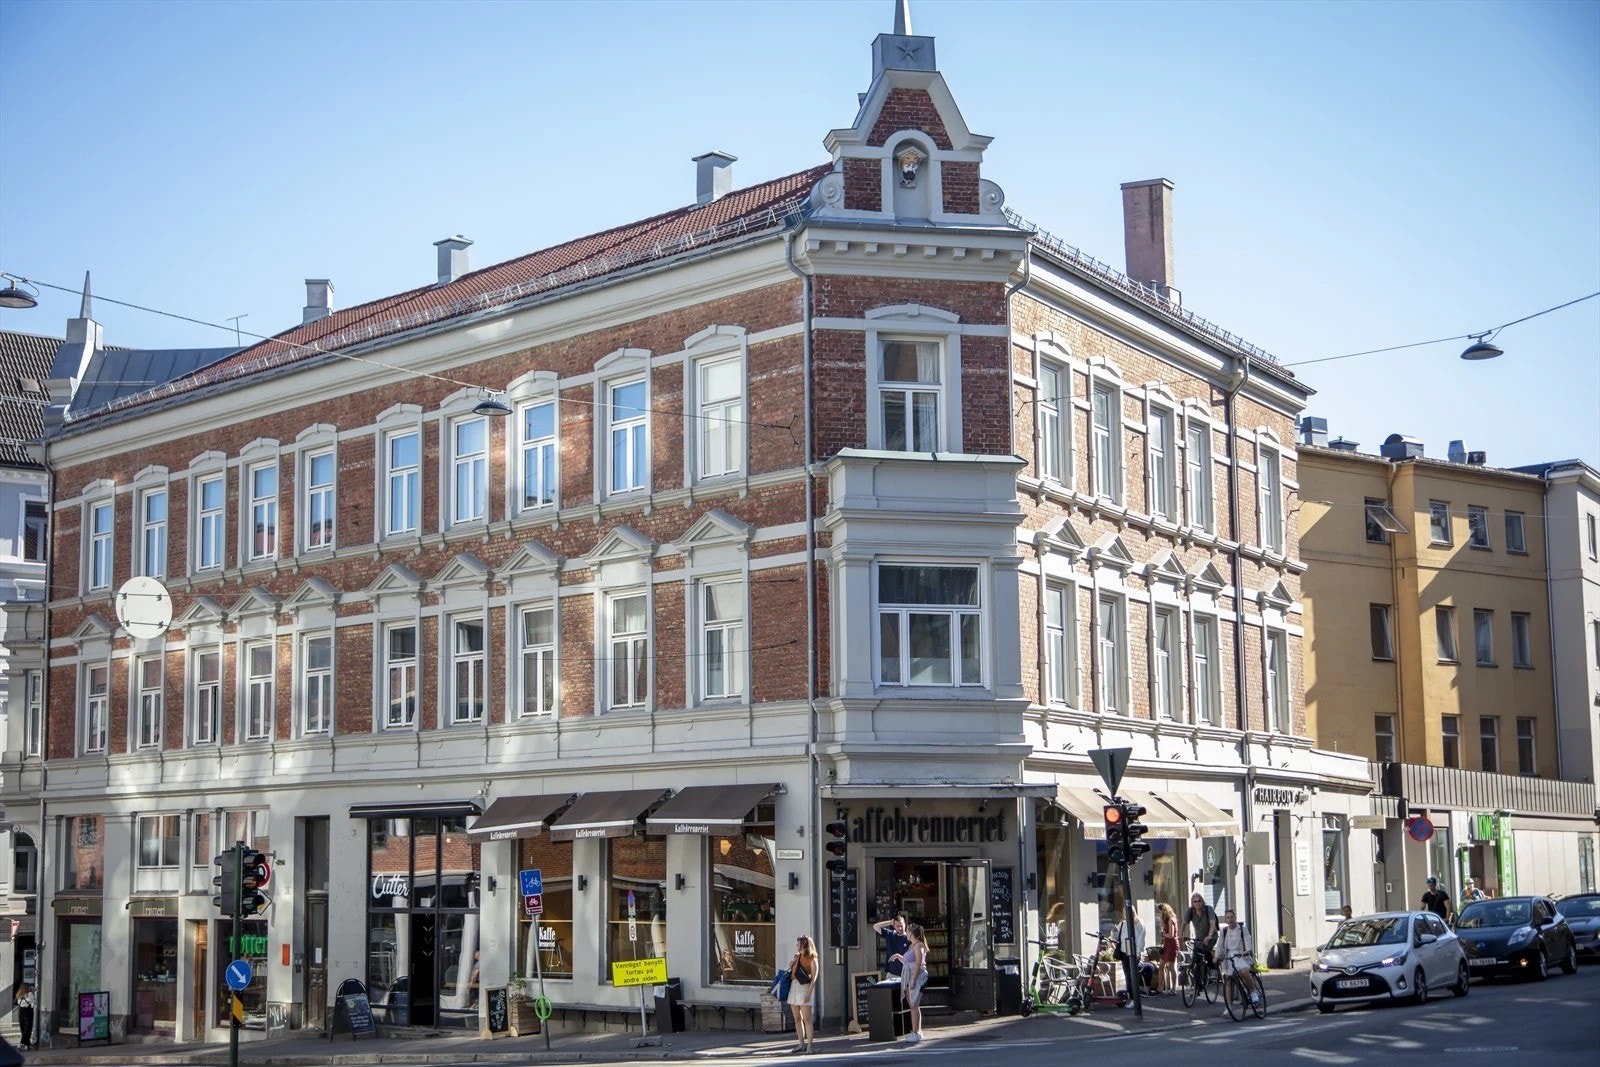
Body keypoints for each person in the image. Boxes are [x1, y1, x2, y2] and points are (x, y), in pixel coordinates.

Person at [1215, 909, 1257, 1014]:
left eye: (1231, 917)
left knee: (1244, 972)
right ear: (1225, 920)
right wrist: (1217, 956)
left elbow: (1248, 941)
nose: (1230, 920)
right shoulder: (1224, 931)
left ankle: (1253, 993)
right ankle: (1229, 1007)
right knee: (1228, 982)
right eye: (1228, 918)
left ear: (1235, 918)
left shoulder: (1242, 929)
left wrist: (1247, 951)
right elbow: (1220, 945)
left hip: (1240, 955)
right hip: (1229, 957)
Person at [786, 935, 820, 1054]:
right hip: (794, 986)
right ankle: (801, 1044)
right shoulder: (798, 956)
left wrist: (808, 994)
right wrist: (792, 964)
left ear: (804, 945)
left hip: (804, 987)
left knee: (807, 1019)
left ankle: (810, 1046)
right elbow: (793, 972)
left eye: (798, 944)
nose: (796, 945)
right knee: (797, 1017)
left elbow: (814, 978)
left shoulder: (813, 959)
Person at [899, 922, 929, 1045]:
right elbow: (908, 961)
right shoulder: (912, 945)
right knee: (913, 1005)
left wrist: (913, 979)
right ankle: (918, 1031)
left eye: (907, 931)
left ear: (911, 933)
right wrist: (898, 957)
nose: (905, 933)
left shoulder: (918, 945)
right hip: (910, 975)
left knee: (913, 1005)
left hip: (917, 977)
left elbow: (918, 963)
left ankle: (915, 1033)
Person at [1185, 894, 1219, 987]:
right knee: (1196, 957)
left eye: (1199, 901)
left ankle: (1213, 969)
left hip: (1211, 936)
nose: (1197, 903)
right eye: (1195, 901)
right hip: (1199, 938)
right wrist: (1180, 935)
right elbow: (1184, 923)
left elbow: (1212, 923)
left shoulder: (1208, 909)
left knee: (1205, 949)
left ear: (1202, 901)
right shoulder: (1191, 911)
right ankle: (1198, 984)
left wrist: (1209, 935)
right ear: (1192, 903)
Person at [872, 913, 911, 979]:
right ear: (894, 926)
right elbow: (875, 927)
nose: (900, 928)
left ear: (905, 924)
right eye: (897, 926)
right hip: (891, 973)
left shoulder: (909, 938)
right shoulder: (890, 934)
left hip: (906, 973)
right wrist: (890, 922)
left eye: (901, 925)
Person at [1157, 902, 1180, 995]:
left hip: (1172, 945)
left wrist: (1163, 934)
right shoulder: (1167, 920)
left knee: (1171, 966)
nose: (1161, 913)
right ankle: (1160, 987)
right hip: (1167, 944)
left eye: (1162, 911)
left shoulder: (1171, 920)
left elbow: (1171, 935)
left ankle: (1173, 988)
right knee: (1161, 965)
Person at [16, 982, 35, 1051]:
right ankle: (24, 1044)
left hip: (22, 1011)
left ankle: (25, 1044)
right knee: (25, 1029)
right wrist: (26, 998)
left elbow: (31, 1001)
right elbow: (32, 1003)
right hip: (26, 1012)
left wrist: (25, 998)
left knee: (26, 1029)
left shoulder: (26, 994)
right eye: (29, 986)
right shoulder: (27, 994)